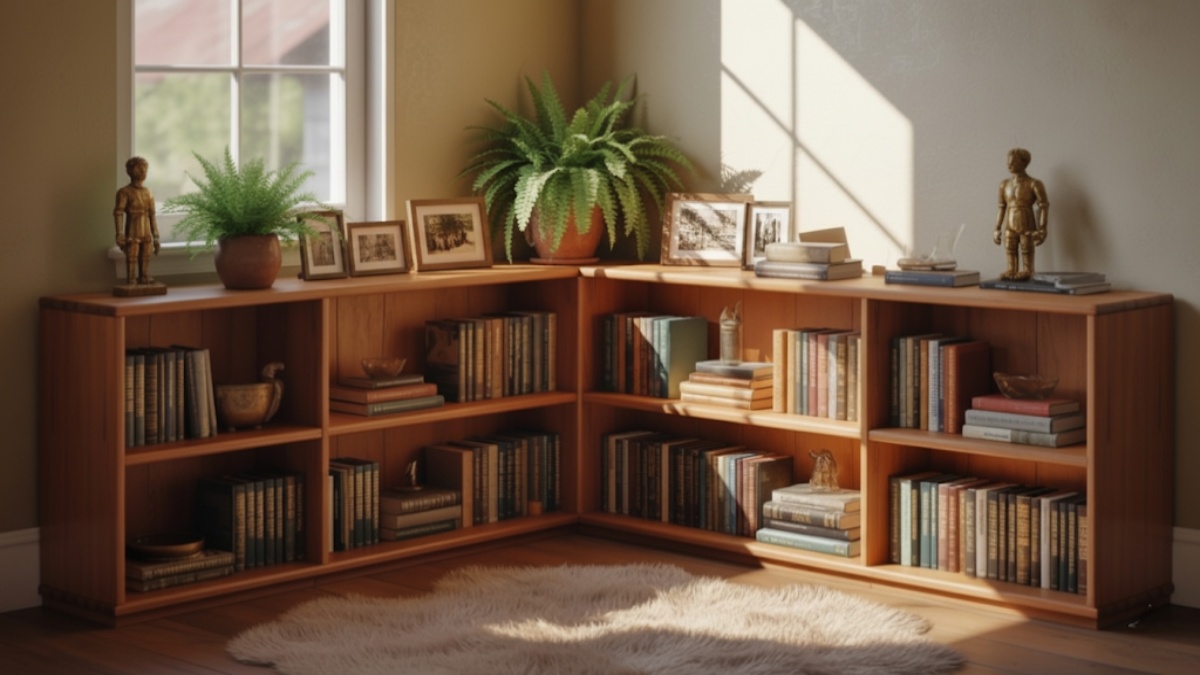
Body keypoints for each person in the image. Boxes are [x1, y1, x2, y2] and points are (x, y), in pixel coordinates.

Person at [993, 148, 1049, 280]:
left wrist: (1042, 229)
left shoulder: (1034, 183)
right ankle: (1011, 269)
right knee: (1010, 248)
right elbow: (1001, 207)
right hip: (1009, 224)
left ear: (1023, 163)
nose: (1009, 164)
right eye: (1008, 162)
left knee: (1026, 249)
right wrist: (997, 228)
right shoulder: (1004, 184)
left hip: (1026, 222)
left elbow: (1044, 206)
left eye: (1013, 161)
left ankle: (1027, 270)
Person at [114, 156, 160, 285]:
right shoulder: (124, 192)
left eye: (144, 169)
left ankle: (144, 276)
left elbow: (152, 215)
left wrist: (155, 236)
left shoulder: (148, 192)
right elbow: (118, 213)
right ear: (131, 171)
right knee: (132, 257)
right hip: (132, 231)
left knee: (146, 256)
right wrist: (119, 233)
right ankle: (132, 279)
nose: (143, 172)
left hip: (146, 231)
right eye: (140, 169)